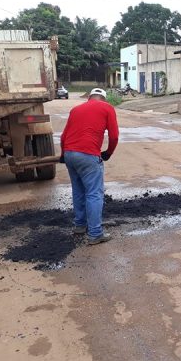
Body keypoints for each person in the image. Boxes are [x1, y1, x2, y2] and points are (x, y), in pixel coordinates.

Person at [60, 88, 119, 245]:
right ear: (104, 99)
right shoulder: (107, 108)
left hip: (69, 154)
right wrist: (109, 153)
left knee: (78, 190)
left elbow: (64, 136)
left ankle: (80, 225)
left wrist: (62, 155)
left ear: (90, 98)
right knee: (94, 193)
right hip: (88, 155)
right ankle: (95, 233)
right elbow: (114, 136)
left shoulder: (76, 110)